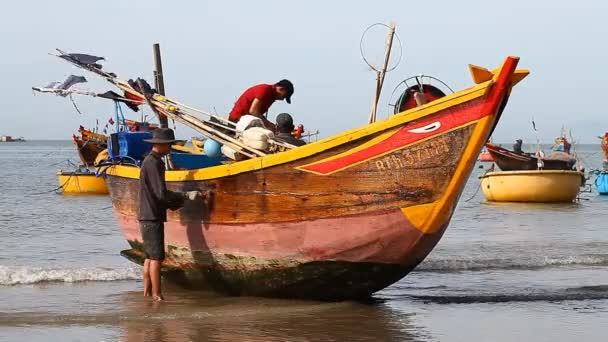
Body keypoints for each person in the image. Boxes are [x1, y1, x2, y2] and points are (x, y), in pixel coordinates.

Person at [139, 128, 204, 301]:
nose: (170, 148)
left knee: (148, 257)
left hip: (146, 214)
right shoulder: (154, 163)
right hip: (152, 216)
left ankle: (147, 293)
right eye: (169, 145)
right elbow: (161, 194)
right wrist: (184, 197)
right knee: (156, 258)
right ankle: (157, 295)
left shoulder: (149, 161)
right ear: (160, 145)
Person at [228, 79, 294, 130]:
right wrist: (268, 124)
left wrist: (270, 125)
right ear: (281, 89)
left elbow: (258, 113)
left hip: (248, 122)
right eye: (284, 96)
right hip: (238, 121)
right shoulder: (264, 90)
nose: (282, 99)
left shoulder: (272, 97)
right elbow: (253, 111)